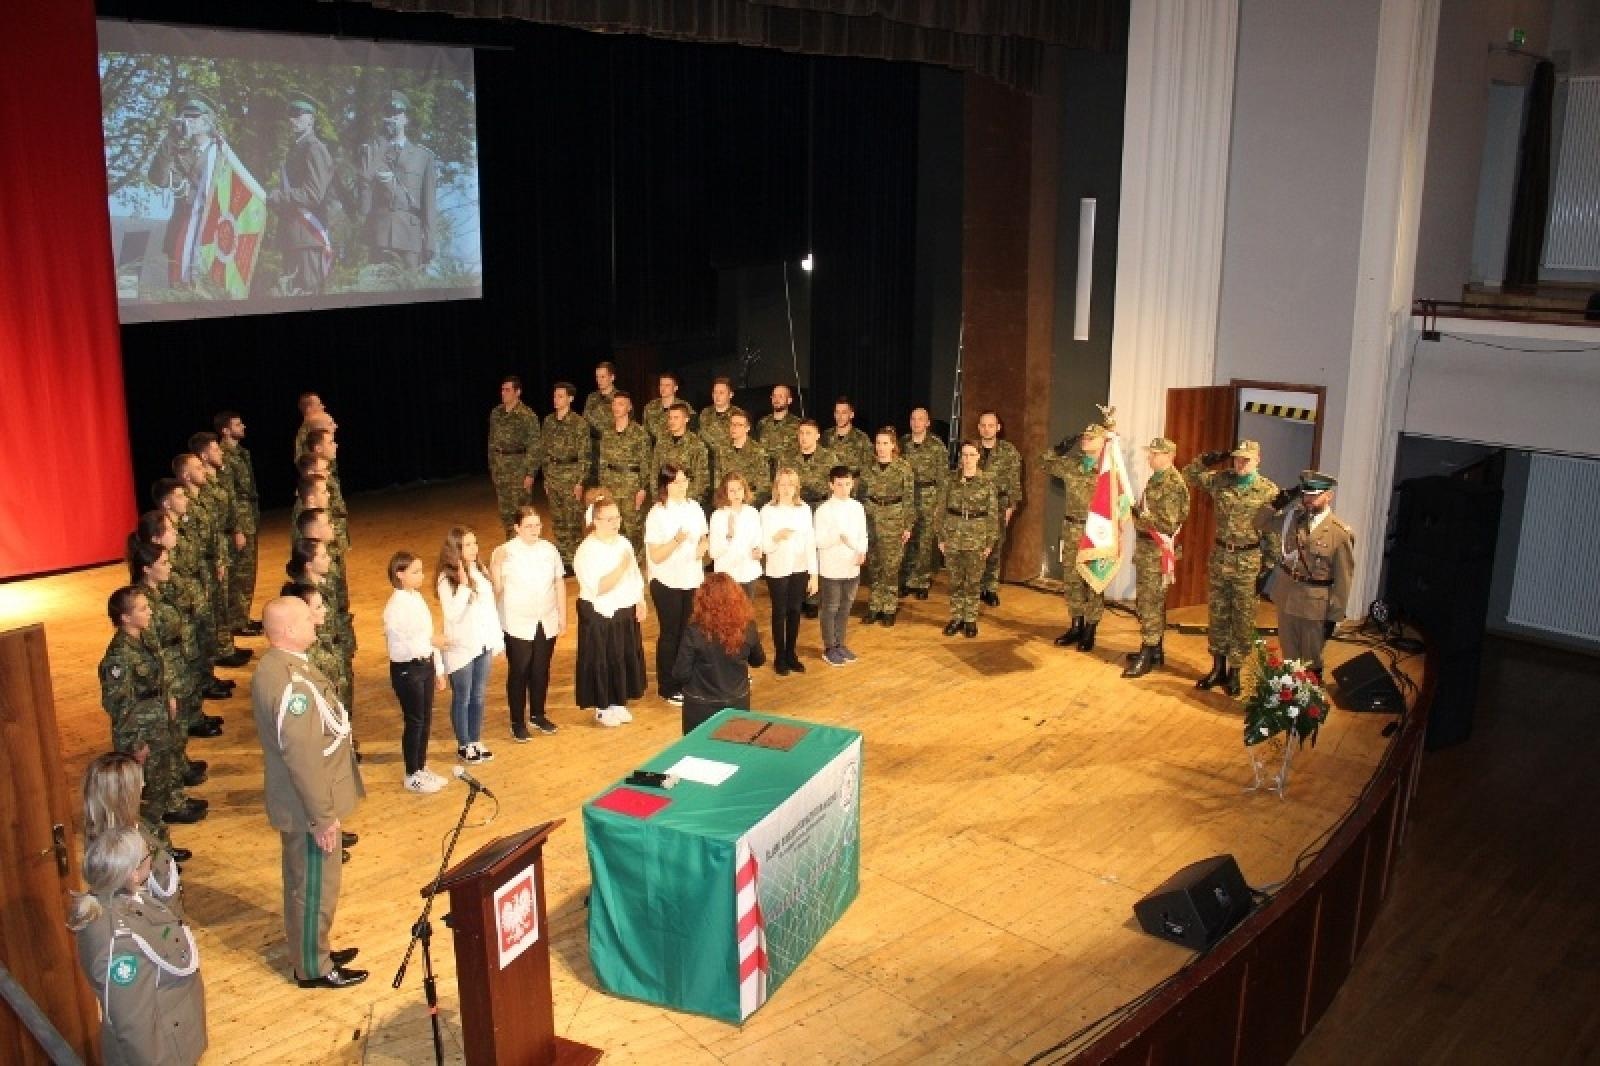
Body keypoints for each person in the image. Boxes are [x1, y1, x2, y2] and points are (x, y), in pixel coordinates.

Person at [250, 596, 366, 989]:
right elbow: (301, 756)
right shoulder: (289, 684)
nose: (316, 621)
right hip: (308, 807)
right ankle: (314, 966)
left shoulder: (282, 668)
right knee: (314, 887)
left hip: (303, 802)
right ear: (286, 630)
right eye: (307, 617)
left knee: (306, 883)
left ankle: (314, 948)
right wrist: (322, 816)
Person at [67, 828, 207, 1065]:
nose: (151, 857)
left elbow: (169, 918)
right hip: (162, 1054)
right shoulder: (119, 942)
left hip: (173, 1037)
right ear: (133, 873)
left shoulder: (123, 898)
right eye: (147, 855)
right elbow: (133, 1024)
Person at [1184, 440, 1281, 696]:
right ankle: (1217, 667)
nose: (1240, 463)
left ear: (1258, 460)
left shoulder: (1268, 490)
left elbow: (1272, 532)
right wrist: (1209, 458)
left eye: (1246, 459)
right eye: (1237, 458)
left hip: (1248, 560)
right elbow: (1189, 475)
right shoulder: (1221, 481)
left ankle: (1235, 671)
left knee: (1242, 619)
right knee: (1218, 615)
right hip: (1221, 557)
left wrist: (1268, 566)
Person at [98, 587, 199, 832]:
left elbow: (157, 676)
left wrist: (169, 699)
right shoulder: (119, 657)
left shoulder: (144, 639)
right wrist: (135, 743)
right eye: (143, 609)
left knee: (161, 785)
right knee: (146, 795)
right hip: (141, 733)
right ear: (125, 617)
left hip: (158, 724)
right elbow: (117, 704)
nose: (150, 612)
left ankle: (160, 838)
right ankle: (151, 845)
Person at [1255, 470, 1354, 676]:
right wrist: (1276, 503)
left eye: (1314, 495)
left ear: (1328, 496)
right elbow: (1259, 522)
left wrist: (1334, 616)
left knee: (1311, 660)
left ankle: (1310, 704)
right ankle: (1288, 700)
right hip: (1287, 597)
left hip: (1314, 604)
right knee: (1289, 656)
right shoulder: (1292, 520)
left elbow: (1344, 579)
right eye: (1305, 494)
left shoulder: (1339, 533)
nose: (1308, 500)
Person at [573, 494, 649, 726]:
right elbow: (599, 587)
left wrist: (640, 600)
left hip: (623, 611)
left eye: (617, 517)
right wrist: (620, 567)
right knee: (602, 659)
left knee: (622, 655)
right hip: (600, 614)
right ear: (595, 521)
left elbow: (635, 575)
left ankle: (618, 700)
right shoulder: (587, 550)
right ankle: (602, 706)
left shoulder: (623, 543)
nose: (615, 523)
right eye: (608, 519)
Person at [492, 506, 567, 739]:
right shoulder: (504, 552)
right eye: (529, 526)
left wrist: (562, 615)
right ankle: (517, 721)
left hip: (546, 619)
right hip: (517, 622)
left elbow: (559, 583)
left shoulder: (549, 549)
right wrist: (495, 567)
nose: (534, 530)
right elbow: (496, 591)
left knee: (540, 670)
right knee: (520, 671)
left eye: (537, 525)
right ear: (516, 528)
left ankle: (537, 714)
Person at [1124, 438, 1192, 678]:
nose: (1149, 458)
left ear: (1168, 456)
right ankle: (1155, 649)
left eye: (1154, 454)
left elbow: (1167, 523)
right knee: (1150, 601)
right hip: (1147, 550)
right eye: (1149, 453)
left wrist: (1137, 514)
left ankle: (1147, 651)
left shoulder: (1172, 484)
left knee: (1149, 603)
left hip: (1156, 551)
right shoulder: (1158, 479)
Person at [382, 552, 449, 793]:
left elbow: (430, 637)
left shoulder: (417, 598)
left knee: (426, 718)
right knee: (415, 721)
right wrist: (433, 642)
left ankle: (421, 766)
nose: (421, 576)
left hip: (425, 666)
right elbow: (404, 647)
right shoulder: (395, 608)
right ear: (399, 575)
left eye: (421, 571)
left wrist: (438, 669)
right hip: (407, 670)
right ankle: (411, 773)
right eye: (415, 572)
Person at [437, 526, 504, 764]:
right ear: (456, 548)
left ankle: (475, 740)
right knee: (462, 697)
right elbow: (452, 614)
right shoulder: (447, 579)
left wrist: (496, 639)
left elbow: (489, 606)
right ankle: (464, 744)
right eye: (467, 545)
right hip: (462, 647)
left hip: (483, 642)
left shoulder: (481, 569)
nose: (473, 549)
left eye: (475, 543)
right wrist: (464, 585)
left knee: (479, 695)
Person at [83, 751, 191, 899]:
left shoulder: (127, 826)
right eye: (139, 781)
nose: (144, 784)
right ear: (124, 793)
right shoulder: (119, 847)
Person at [1041, 422, 1110, 651]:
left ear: (1103, 442)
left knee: (1093, 582)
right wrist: (1060, 448)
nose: (1086, 439)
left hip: (1096, 533)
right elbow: (1044, 462)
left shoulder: (1109, 470)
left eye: (1092, 437)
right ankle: (1076, 625)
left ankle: (1090, 630)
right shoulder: (1073, 465)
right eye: (1084, 436)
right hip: (1071, 529)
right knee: (1072, 581)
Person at [645, 464, 709, 705]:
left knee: (688, 632)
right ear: (666, 485)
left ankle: (685, 678)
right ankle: (668, 686)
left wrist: (702, 548)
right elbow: (656, 556)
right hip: (666, 582)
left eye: (685, 481)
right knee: (671, 634)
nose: (683, 486)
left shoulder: (694, 508)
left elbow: (704, 537)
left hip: (691, 578)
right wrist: (676, 541)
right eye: (677, 482)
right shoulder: (657, 513)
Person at [673, 573, 766, 734]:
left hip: (700, 707)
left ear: (702, 600)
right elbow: (758, 660)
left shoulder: (694, 631)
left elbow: (681, 673)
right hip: (737, 703)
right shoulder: (748, 627)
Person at [357, 90, 437, 269]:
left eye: (397, 113)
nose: (392, 117)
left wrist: (430, 241)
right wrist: (378, 147)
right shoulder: (372, 151)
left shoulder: (423, 156)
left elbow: (429, 204)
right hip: (379, 236)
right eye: (388, 113)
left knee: (409, 289)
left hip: (410, 237)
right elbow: (364, 201)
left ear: (406, 119)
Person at [268, 91, 335, 295]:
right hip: (293, 237)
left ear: (311, 119)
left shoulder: (314, 149)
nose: (292, 119)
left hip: (308, 236)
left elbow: (313, 194)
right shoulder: (295, 150)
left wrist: (279, 196)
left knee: (308, 295)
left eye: (298, 114)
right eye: (290, 114)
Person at [936, 442, 1001, 637]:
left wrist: (989, 542)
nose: (967, 459)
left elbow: (992, 514)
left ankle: (970, 619)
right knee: (956, 580)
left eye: (972, 455)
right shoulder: (950, 480)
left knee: (973, 581)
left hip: (977, 537)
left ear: (978, 457)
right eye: (964, 455)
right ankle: (956, 617)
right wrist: (941, 536)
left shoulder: (987, 482)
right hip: (953, 535)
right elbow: (940, 510)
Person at [761, 468, 818, 675]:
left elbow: (810, 541)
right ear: (776, 487)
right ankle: (779, 655)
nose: (786, 489)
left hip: (799, 567)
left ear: (796, 487)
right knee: (780, 612)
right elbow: (764, 546)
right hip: (777, 568)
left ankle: (791, 653)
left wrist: (814, 573)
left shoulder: (803, 509)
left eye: (790, 485)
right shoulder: (768, 510)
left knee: (795, 611)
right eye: (782, 484)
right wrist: (776, 537)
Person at [859, 429, 915, 625]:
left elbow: (909, 498)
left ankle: (889, 607)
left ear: (893, 445)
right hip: (872, 519)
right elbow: (860, 496)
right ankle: (875, 606)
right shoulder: (868, 468)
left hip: (894, 519)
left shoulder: (903, 468)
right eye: (878, 443)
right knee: (874, 566)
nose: (881, 448)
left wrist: (907, 525)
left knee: (891, 566)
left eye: (885, 443)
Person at [813, 465, 868, 666]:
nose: (844, 488)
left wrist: (862, 551)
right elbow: (818, 541)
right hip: (832, 568)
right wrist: (837, 538)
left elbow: (863, 533)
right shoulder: (823, 510)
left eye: (847, 484)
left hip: (852, 566)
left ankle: (840, 643)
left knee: (846, 607)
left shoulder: (857, 507)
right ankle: (829, 647)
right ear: (831, 485)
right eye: (839, 484)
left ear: (852, 484)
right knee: (831, 607)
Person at [214, 410, 261, 636]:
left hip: (249, 515)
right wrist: (237, 527)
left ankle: (242, 616)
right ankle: (236, 621)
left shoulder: (241, 453)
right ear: (225, 430)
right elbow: (230, 494)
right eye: (237, 423)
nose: (243, 426)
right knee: (240, 572)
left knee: (248, 571)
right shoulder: (223, 456)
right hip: (240, 519)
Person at [541, 381, 592, 569]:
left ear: (570, 398)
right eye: (555, 396)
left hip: (571, 477)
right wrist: (546, 478)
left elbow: (585, 456)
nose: (556, 400)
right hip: (553, 475)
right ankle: (563, 559)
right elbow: (544, 451)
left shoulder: (579, 423)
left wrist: (580, 482)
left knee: (573, 522)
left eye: (560, 396)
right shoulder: (548, 421)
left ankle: (576, 560)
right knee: (558, 521)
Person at [975, 411, 1023, 606]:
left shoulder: (1009, 451)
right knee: (974, 548)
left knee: (994, 549)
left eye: (990, 425)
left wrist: (1010, 510)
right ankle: (974, 587)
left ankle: (990, 588)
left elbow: (1014, 483)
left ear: (998, 428)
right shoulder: (971, 449)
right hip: (973, 507)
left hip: (998, 505)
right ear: (979, 427)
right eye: (983, 425)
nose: (987, 429)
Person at [900, 407, 948, 600]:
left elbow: (944, 479)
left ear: (928, 422)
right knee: (906, 539)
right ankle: (905, 579)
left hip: (928, 495)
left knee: (925, 542)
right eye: (913, 419)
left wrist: (940, 505)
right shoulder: (902, 443)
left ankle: (920, 581)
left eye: (921, 419)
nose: (916, 422)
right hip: (906, 496)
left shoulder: (937, 446)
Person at [596, 391, 652, 552]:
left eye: (621, 404)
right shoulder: (607, 433)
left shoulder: (639, 433)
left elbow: (646, 463)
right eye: (614, 404)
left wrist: (642, 488)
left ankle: (635, 562)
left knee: (633, 527)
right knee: (611, 525)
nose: (616, 407)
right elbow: (603, 462)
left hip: (631, 486)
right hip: (610, 486)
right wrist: (602, 489)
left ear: (629, 407)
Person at [488, 375, 542, 536]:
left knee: (520, 514)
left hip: (519, 469)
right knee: (505, 514)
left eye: (507, 390)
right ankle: (511, 546)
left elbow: (535, 446)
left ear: (517, 392)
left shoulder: (527, 415)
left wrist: (531, 473)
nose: (503, 393)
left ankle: (523, 547)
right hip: (501, 469)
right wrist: (492, 467)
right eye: (502, 389)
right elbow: (492, 442)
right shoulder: (496, 413)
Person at [708, 472, 764, 598]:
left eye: (739, 489)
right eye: (732, 490)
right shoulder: (718, 516)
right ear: (725, 492)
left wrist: (758, 549)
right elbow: (713, 553)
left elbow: (758, 539)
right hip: (727, 576)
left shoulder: (752, 513)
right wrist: (728, 536)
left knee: (747, 615)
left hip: (749, 573)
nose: (736, 493)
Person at [652, 402, 710, 508]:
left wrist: (682, 497)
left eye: (676, 418)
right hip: (664, 501)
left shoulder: (696, 444)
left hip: (687, 501)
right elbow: (655, 472)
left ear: (686, 419)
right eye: (670, 418)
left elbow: (701, 479)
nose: (672, 421)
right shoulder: (662, 442)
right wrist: (658, 497)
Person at [711, 408, 772, 508]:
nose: (734, 428)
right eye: (732, 424)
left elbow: (763, 485)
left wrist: (744, 501)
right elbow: (718, 482)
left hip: (750, 503)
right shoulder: (721, 449)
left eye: (739, 425)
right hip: (726, 502)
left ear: (747, 428)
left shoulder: (758, 451)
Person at [827, 397, 873, 490]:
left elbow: (869, 467)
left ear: (851, 415)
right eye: (837, 412)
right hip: (830, 490)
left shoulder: (862, 438)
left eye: (844, 413)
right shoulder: (826, 436)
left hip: (853, 490)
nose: (840, 416)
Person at [756, 383, 801, 458]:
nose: (776, 399)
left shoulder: (798, 424)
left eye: (781, 396)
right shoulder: (762, 422)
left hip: (786, 468)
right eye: (774, 396)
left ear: (789, 400)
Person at [642, 370, 687, 444]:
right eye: (661, 385)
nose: (663, 388)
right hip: (654, 450)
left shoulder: (684, 406)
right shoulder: (650, 407)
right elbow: (645, 431)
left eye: (667, 385)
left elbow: (691, 430)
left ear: (675, 388)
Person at [698, 377, 737, 453]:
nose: (717, 396)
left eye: (721, 392)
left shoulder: (738, 414)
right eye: (715, 392)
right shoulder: (705, 412)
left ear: (731, 395)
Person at [583, 360, 620, 434]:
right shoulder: (592, 397)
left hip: (611, 442)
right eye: (597, 377)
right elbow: (584, 421)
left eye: (603, 377)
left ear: (612, 377)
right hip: (592, 442)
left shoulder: (620, 398)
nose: (599, 380)